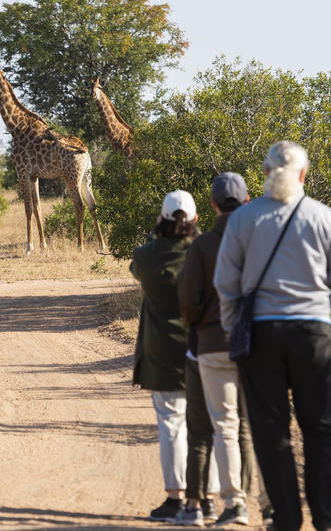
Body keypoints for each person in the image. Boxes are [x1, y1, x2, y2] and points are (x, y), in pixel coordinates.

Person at [214, 141, 331, 531]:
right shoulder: (325, 217)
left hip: (262, 337)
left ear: (266, 174)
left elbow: (226, 284)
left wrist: (235, 331)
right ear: (303, 174)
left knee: (270, 430)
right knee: (318, 428)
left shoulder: (243, 220)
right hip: (314, 334)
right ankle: (328, 519)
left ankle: (286, 519)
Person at [177, 172, 259, 527]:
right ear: (245, 202)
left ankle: (235, 503)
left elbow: (189, 303)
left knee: (224, 424)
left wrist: (200, 323)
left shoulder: (203, 246)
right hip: (257, 345)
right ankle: (262, 503)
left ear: (211, 204)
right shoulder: (259, 241)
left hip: (212, 344)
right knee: (252, 425)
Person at [131, 190, 201, 522]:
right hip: (202, 347)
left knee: (171, 423)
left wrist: (158, 234)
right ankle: (206, 500)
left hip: (161, 351)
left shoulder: (146, 257)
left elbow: (137, 263)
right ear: (195, 220)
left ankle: (174, 498)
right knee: (207, 426)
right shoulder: (202, 254)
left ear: (161, 219)